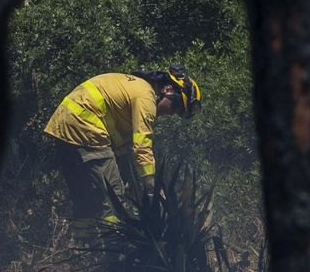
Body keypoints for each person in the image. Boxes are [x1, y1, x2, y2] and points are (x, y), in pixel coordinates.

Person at [42, 67, 201, 238]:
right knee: (113, 197)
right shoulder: (145, 96)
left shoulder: (135, 88)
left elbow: (122, 141)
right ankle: (113, 254)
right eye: (176, 106)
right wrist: (152, 187)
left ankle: (81, 248)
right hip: (86, 126)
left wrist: (128, 174)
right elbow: (141, 146)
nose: (172, 113)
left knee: (85, 200)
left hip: (65, 125)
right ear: (168, 89)